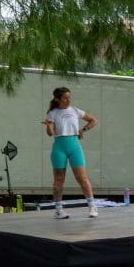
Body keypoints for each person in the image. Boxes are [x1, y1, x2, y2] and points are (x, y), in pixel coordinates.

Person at [42, 87, 99, 219]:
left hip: (74, 146)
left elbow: (93, 120)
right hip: (59, 147)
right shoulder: (52, 113)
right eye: (65, 98)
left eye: (69, 97)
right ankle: (58, 210)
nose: (68, 100)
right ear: (57, 99)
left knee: (82, 178)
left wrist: (83, 130)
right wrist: (49, 125)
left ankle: (92, 206)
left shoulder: (75, 110)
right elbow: (50, 133)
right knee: (58, 180)